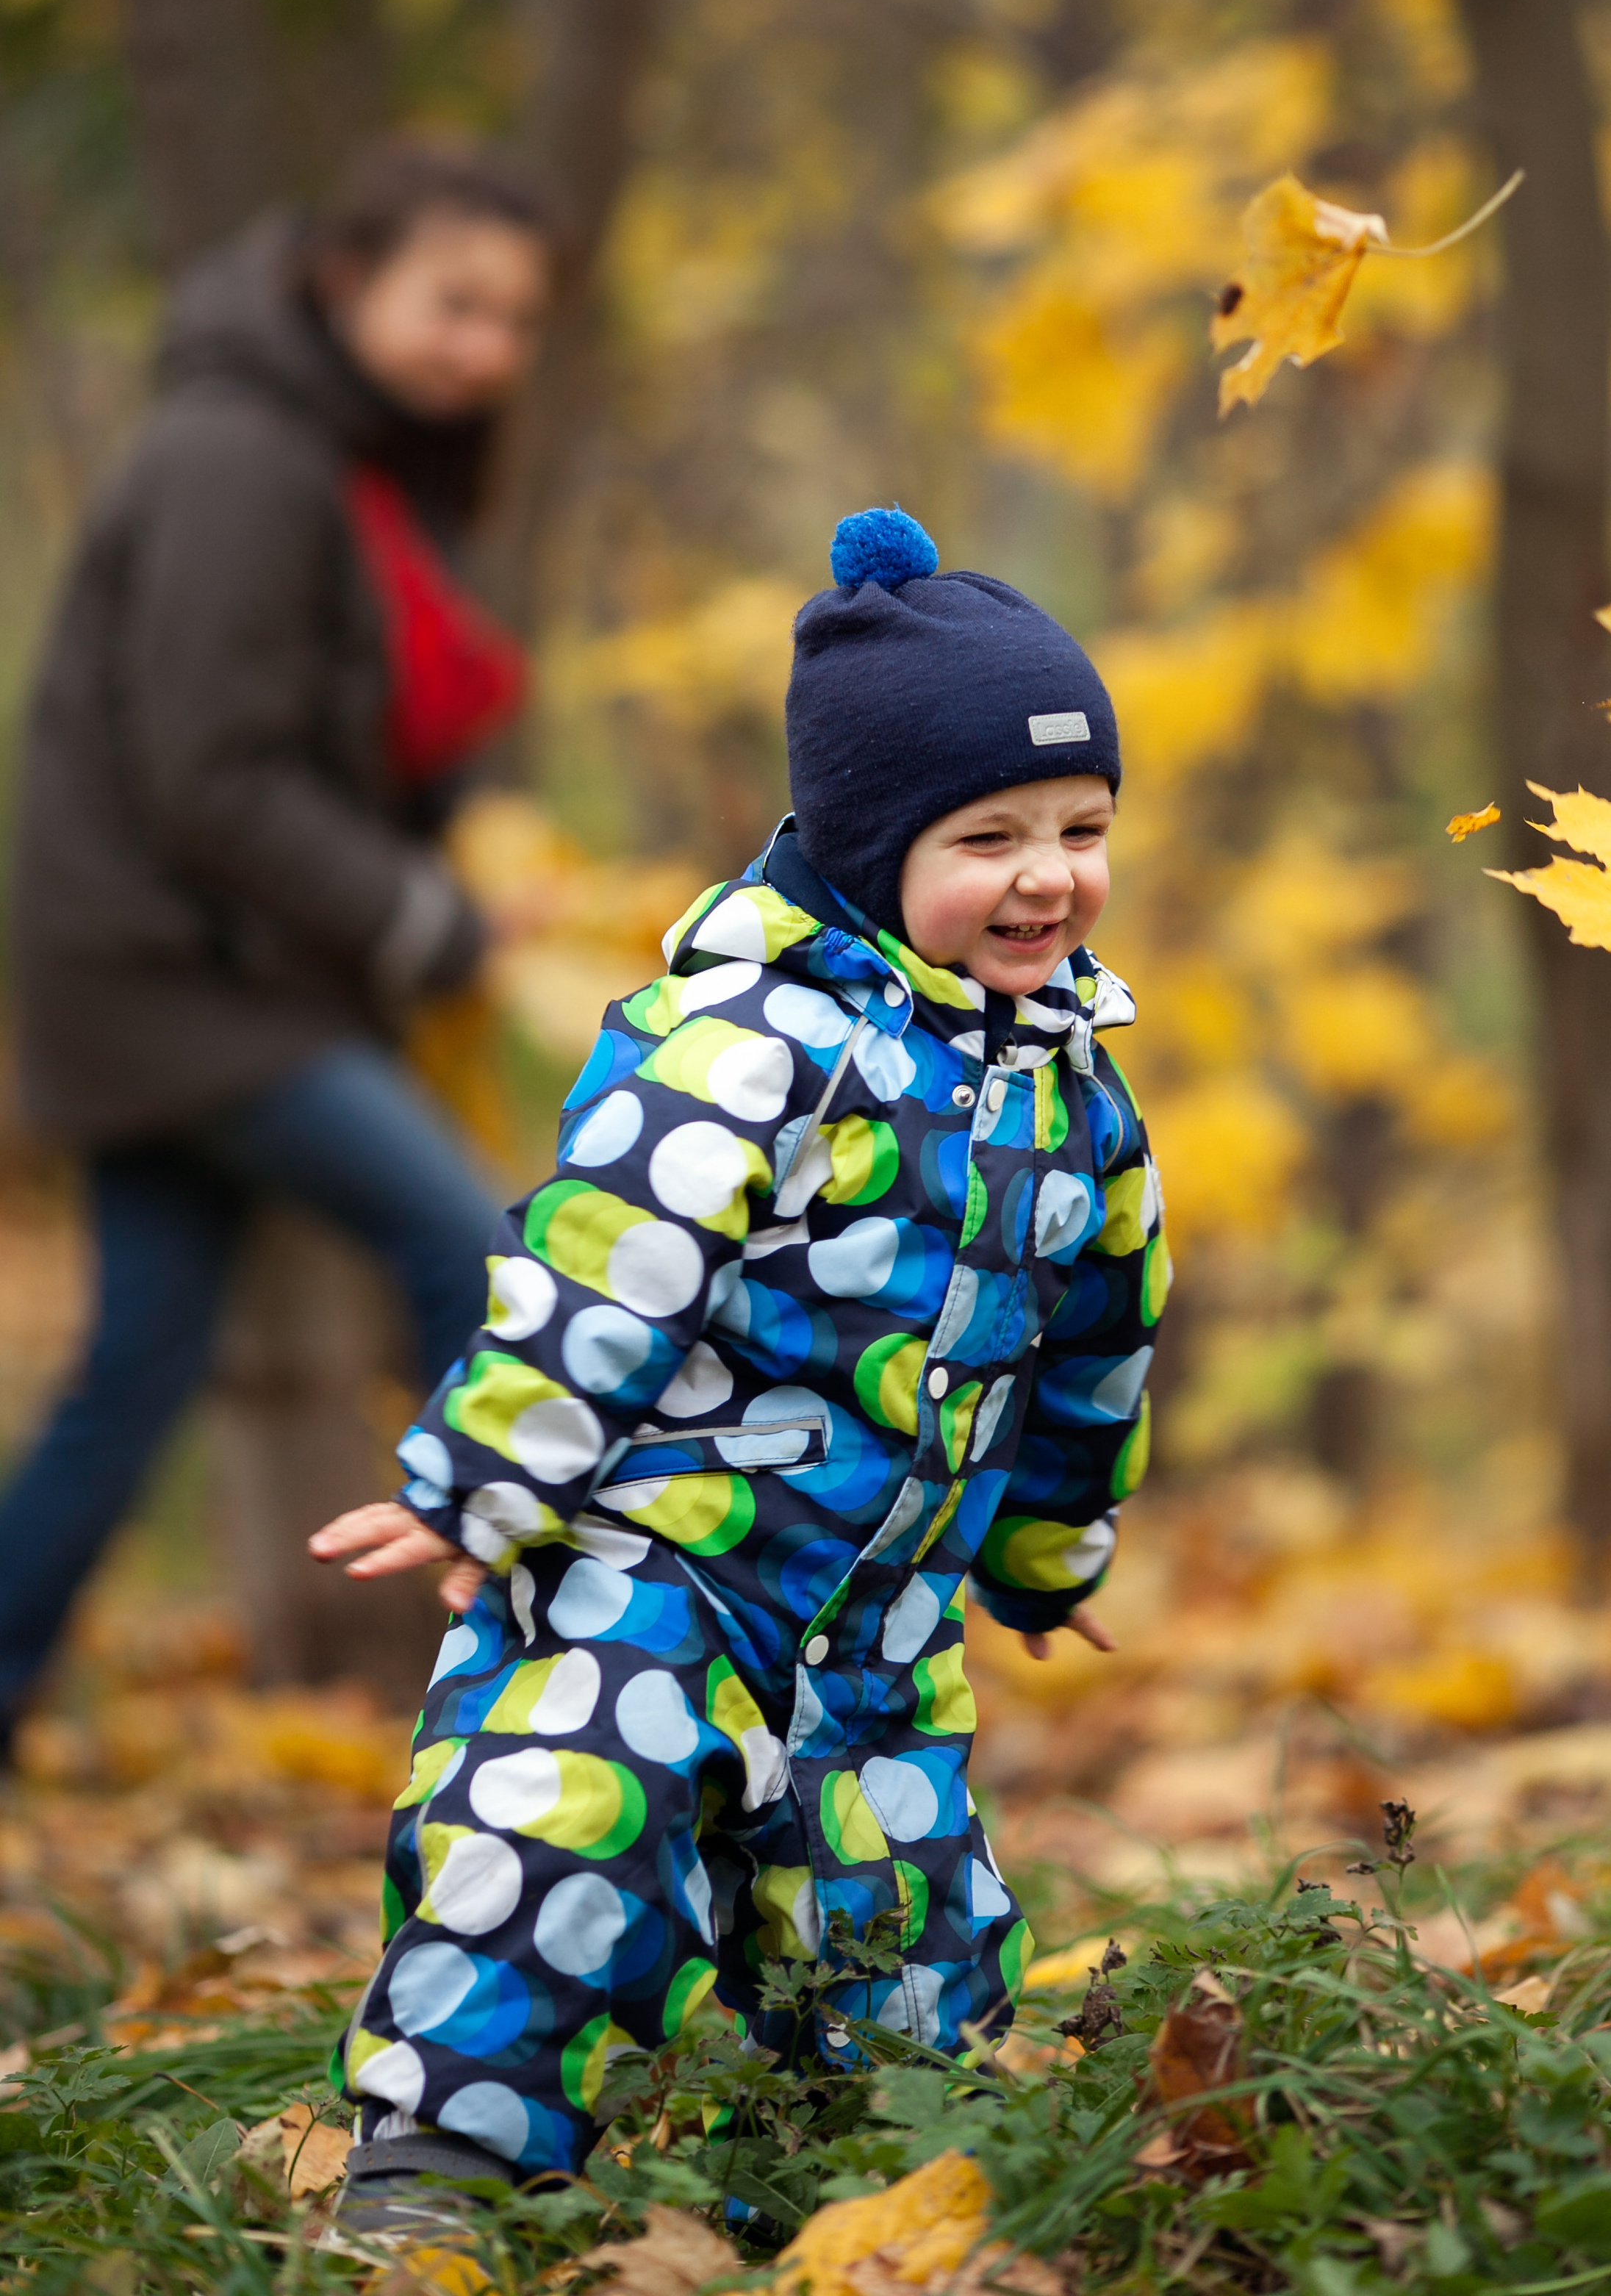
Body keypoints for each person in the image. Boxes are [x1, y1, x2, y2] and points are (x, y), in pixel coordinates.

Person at [309, 503, 1168, 2225]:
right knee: (558, 1824)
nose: (1047, 876)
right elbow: (599, 1254)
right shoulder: (745, 1044)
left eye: (1080, 829)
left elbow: (1092, 1334)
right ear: (865, 849)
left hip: (873, 1620)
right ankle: (439, 2165)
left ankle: (865, 2170)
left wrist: (1042, 1545)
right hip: (665, 1563)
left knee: (903, 1931)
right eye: (987, 835)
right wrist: (485, 1480)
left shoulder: (1075, 1087)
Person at [0, 138, 556, 1753]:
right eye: (453, 304)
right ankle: (540, 1691)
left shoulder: (329, 453)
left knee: (133, 1373)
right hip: (187, 994)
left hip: (199, 983)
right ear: (340, 278)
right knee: (475, 1260)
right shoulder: (240, 455)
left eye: (513, 322)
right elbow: (214, 777)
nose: (485, 351)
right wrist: (424, 921)